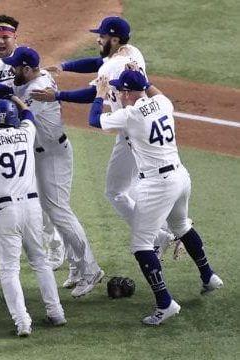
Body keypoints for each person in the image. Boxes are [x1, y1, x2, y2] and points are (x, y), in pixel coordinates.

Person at [30, 16, 178, 284]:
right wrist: (64, 66)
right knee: (129, 187)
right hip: (144, 123)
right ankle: (167, 231)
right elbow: (98, 63)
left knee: (115, 191)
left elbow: (91, 94)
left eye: (101, 35)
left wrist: (58, 96)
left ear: (115, 39)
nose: (97, 38)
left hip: (130, 131)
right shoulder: (131, 53)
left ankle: (159, 236)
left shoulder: (113, 66)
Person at [88, 70, 223, 325]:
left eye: (120, 90)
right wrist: (145, 82)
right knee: (182, 226)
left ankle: (165, 303)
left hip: (159, 184)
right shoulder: (162, 102)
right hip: (181, 176)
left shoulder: (131, 115)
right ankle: (208, 275)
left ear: (127, 93)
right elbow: (154, 91)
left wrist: (99, 95)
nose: (118, 93)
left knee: (141, 245)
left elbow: (94, 120)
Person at [0, 46, 103, 297]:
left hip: (54, 156)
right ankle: (78, 267)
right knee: (56, 212)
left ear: (26, 69)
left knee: (60, 212)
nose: (11, 70)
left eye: (15, 66)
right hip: (42, 155)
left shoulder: (39, 89)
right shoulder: (32, 78)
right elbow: (12, 90)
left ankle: (91, 269)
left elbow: (18, 116)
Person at [0, 98, 66, 336]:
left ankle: (22, 322)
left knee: (10, 270)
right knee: (40, 261)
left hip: (5, 211)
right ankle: (56, 312)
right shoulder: (26, 133)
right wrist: (15, 99)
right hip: (32, 207)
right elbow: (28, 115)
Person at [0, 14, 65, 271]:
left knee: (38, 199)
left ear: (14, 37)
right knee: (0, 197)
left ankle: (54, 247)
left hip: (26, 138)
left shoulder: (24, 62)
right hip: (1, 141)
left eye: (4, 37)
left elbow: (23, 94)